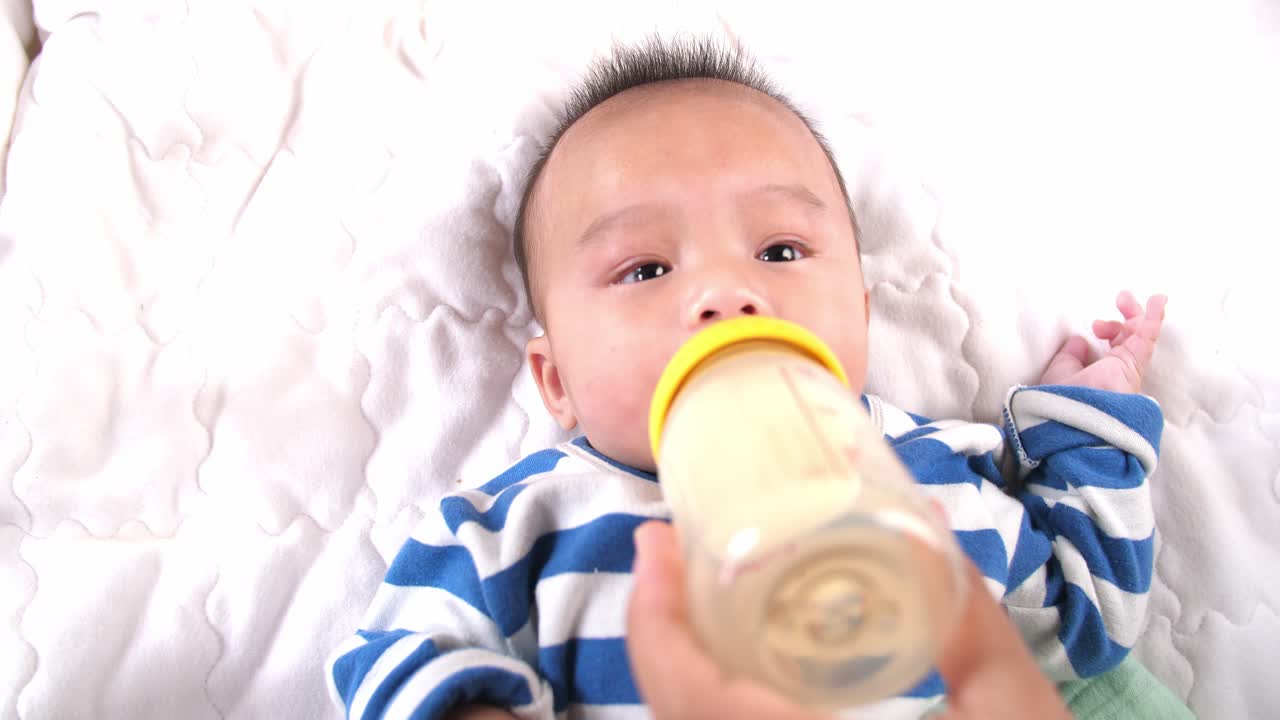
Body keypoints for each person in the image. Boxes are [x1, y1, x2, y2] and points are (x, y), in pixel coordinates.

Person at [326, 36, 1167, 719]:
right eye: (647, 268)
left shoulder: (936, 474)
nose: (730, 292)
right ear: (557, 382)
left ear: (863, 316)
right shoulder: (516, 528)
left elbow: (1084, 619)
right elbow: (400, 661)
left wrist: (1084, 426)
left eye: (780, 252)